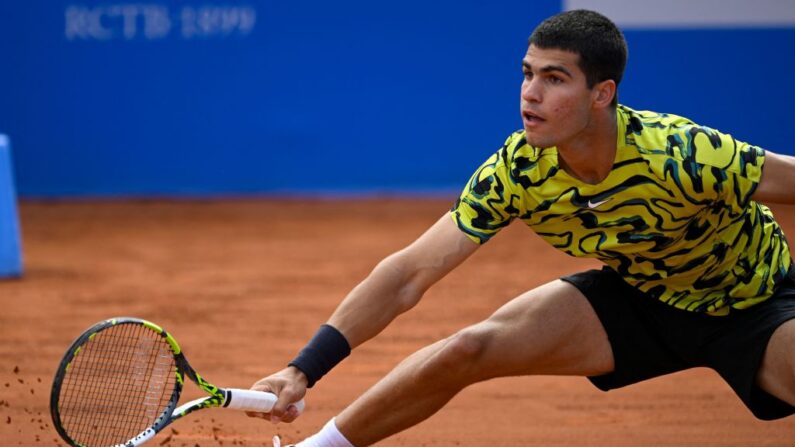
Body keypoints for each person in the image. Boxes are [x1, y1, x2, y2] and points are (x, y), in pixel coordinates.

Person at [248, 9, 795, 446]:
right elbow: (409, 273)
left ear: (601, 93)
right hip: (641, 297)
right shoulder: (519, 170)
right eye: (527, 73)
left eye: (554, 79)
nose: (530, 93)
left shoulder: (681, 152)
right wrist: (303, 370)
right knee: (468, 349)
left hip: (754, 304)